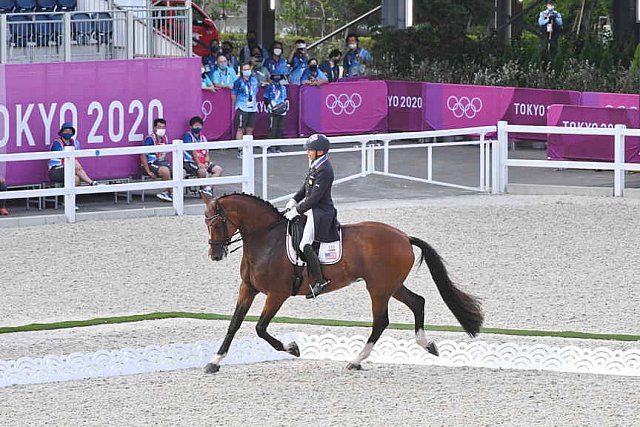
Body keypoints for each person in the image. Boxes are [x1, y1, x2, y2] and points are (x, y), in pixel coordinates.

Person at [284, 134, 339, 299]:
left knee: (304, 244)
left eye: (310, 150)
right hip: (311, 208)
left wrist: (297, 210)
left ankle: (321, 281)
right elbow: (305, 187)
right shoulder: (316, 164)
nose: (307, 152)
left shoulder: (325, 169)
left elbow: (315, 197)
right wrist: (294, 200)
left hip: (320, 211)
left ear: (320, 151)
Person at [48, 122, 99, 187]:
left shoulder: (75, 143)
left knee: (76, 179)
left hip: (70, 168)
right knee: (75, 165)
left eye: (69, 131)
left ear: (72, 133)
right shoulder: (57, 143)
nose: (68, 133)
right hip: (55, 170)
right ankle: (92, 183)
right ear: (61, 132)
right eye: (65, 131)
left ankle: (69, 196)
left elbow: (75, 159)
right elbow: (63, 158)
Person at [182, 116, 223, 197]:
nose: (198, 127)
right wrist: (199, 163)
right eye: (195, 125)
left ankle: (207, 188)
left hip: (203, 161)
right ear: (191, 127)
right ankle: (203, 190)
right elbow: (192, 151)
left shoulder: (203, 138)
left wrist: (207, 162)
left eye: (199, 125)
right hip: (191, 162)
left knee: (218, 169)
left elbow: (207, 152)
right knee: (202, 171)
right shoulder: (187, 136)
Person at [140, 118, 173, 202]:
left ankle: (167, 192)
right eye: (159, 127)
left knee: (180, 171)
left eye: (163, 127)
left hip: (161, 163)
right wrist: (148, 172)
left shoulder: (165, 138)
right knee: (165, 171)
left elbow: (164, 155)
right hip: (150, 164)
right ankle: (173, 193)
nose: (161, 129)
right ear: (154, 128)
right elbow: (142, 155)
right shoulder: (150, 139)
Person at [232, 62, 259, 159]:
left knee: (250, 129)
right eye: (245, 69)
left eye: (248, 69)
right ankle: (240, 150)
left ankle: (248, 149)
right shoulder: (238, 82)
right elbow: (234, 94)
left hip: (252, 108)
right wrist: (236, 105)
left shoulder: (254, 80)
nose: (247, 71)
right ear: (242, 71)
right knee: (240, 129)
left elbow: (255, 92)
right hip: (242, 107)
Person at [263, 66, 289, 153]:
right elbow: (265, 98)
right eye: (275, 76)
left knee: (280, 129)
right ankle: (270, 147)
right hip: (272, 110)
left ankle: (278, 147)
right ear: (272, 77)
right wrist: (270, 105)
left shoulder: (283, 87)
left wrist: (285, 105)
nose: (277, 78)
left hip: (282, 110)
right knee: (272, 128)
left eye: (278, 76)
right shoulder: (270, 87)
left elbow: (285, 98)